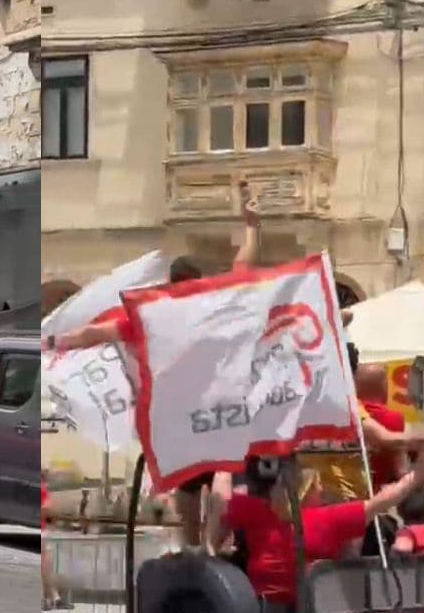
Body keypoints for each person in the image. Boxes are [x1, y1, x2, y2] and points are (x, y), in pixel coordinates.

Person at [47, 188, 263, 549]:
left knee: (196, 488)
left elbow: (97, 332)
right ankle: (203, 552)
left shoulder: (155, 315)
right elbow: (243, 267)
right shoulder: (208, 303)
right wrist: (252, 225)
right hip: (216, 409)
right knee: (216, 481)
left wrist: (56, 343)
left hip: (180, 415)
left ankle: (198, 551)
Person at [209, 449, 424, 613]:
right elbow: (384, 500)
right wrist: (419, 474)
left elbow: (220, 498)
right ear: (307, 490)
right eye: (317, 484)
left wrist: (226, 456)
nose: (322, 490)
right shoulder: (328, 521)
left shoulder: (256, 513)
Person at [300, 363, 424, 505]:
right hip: (361, 500)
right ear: (384, 386)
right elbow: (399, 466)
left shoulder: (316, 409)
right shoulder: (383, 417)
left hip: (316, 497)